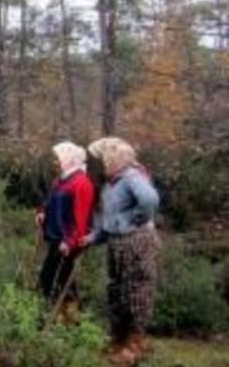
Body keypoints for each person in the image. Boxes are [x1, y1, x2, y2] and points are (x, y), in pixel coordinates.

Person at [85, 137, 161, 366]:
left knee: (136, 291)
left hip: (137, 241)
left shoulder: (131, 176)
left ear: (112, 158)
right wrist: (90, 239)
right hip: (118, 243)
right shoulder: (111, 184)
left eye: (100, 159)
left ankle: (134, 346)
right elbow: (107, 222)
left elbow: (149, 199)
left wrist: (134, 220)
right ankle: (118, 340)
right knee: (117, 291)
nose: (96, 163)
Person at [35, 141, 95, 323]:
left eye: (58, 158)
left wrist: (69, 241)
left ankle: (64, 320)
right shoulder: (61, 179)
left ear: (70, 159)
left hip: (69, 242)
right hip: (56, 239)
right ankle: (63, 320)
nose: (55, 162)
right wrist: (42, 213)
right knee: (54, 279)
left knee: (54, 279)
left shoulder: (81, 183)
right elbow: (50, 201)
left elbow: (81, 219)